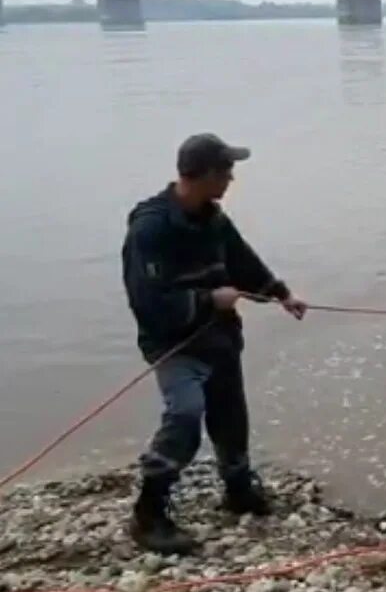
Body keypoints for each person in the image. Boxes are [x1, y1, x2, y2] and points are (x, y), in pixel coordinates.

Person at [121, 133, 307, 555]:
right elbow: (148, 303)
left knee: (230, 415)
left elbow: (243, 261)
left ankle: (239, 490)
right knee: (185, 414)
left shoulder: (215, 219)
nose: (231, 179)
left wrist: (280, 294)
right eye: (226, 171)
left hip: (220, 337)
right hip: (175, 344)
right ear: (203, 175)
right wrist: (208, 300)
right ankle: (148, 515)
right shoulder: (151, 228)